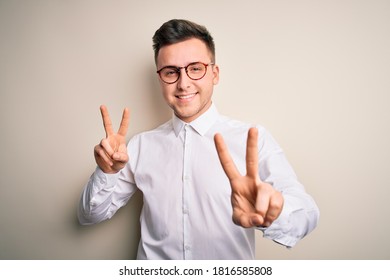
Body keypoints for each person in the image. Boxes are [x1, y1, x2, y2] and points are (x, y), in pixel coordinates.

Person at [78, 19, 319, 260]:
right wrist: (106, 172)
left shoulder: (251, 139)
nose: (183, 84)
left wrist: (271, 214)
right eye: (171, 72)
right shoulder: (139, 146)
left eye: (195, 68)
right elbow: (89, 216)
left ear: (214, 74)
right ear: (160, 78)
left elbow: (307, 214)